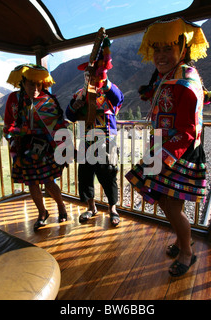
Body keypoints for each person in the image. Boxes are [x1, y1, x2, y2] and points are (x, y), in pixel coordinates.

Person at [126, 18, 211, 276]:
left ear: (183, 49)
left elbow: (187, 131)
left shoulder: (186, 83)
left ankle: (188, 253)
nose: (161, 55)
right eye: (157, 49)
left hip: (179, 152)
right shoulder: (171, 76)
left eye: (168, 49)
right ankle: (181, 241)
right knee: (170, 204)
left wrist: (161, 158)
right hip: (168, 150)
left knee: (170, 206)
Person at [65, 38, 124, 227]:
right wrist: (75, 106)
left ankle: (112, 208)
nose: (90, 76)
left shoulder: (109, 91)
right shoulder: (79, 94)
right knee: (85, 174)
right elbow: (69, 115)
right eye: (88, 73)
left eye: (94, 72)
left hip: (107, 139)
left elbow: (119, 98)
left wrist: (104, 81)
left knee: (108, 173)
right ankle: (91, 207)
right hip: (87, 139)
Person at [4, 64, 68, 231]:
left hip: (45, 148)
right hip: (24, 148)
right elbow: (8, 124)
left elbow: (58, 124)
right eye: (31, 84)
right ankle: (42, 213)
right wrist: (18, 132)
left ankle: (61, 207)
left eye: (39, 84)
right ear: (23, 83)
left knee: (49, 182)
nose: (35, 88)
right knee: (32, 183)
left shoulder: (48, 100)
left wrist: (63, 140)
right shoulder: (14, 99)